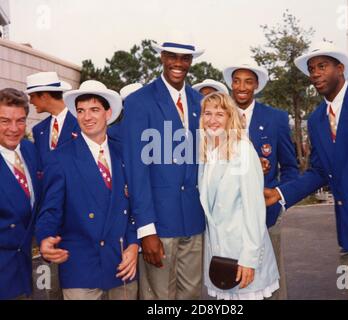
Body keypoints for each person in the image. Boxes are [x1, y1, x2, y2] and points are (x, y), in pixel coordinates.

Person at [264, 41, 348, 300]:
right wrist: (280, 193)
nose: (316, 74)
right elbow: (319, 172)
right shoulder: (317, 119)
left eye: (322, 66)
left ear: (340, 68)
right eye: (312, 69)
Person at [35, 80, 139, 300]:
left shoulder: (124, 154)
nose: (87, 117)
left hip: (121, 265)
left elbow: (135, 207)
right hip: (81, 267)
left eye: (94, 110)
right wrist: (45, 238)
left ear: (108, 113)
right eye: (80, 111)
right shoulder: (60, 159)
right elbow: (50, 210)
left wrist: (133, 245)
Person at [122, 36, 205, 299]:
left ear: (191, 61)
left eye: (185, 58)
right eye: (172, 56)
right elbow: (137, 170)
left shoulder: (200, 102)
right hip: (158, 223)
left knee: (191, 296)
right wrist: (146, 230)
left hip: (194, 220)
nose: (178, 63)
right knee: (159, 298)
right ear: (161, 57)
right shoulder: (139, 101)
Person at [223, 62, 299, 299]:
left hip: (266, 216)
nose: (242, 87)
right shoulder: (219, 116)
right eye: (237, 81)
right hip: (228, 219)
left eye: (248, 81)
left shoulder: (275, 118)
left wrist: (278, 200)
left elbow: (290, 168)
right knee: (232, 280)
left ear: (256, 85)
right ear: (231, 84)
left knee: (271, 281)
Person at [198, 92, 279, 300]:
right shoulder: (206, 154)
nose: (212, 120)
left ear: (229, 118)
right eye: (207, 113)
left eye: (219, 114)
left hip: (242, 255)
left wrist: (249, 259)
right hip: (220, 255)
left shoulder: (243, 150)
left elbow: (254, 210)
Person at [0, 88, 41, 300]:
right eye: (5, 121)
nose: (13, 129)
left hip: (25, 269)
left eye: (20, 120)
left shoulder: (30, 150)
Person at [26, 71, 80, 159]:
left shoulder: (82, 122)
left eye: (32, 96)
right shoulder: (38, 130)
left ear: (44, 96)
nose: (31, 101)